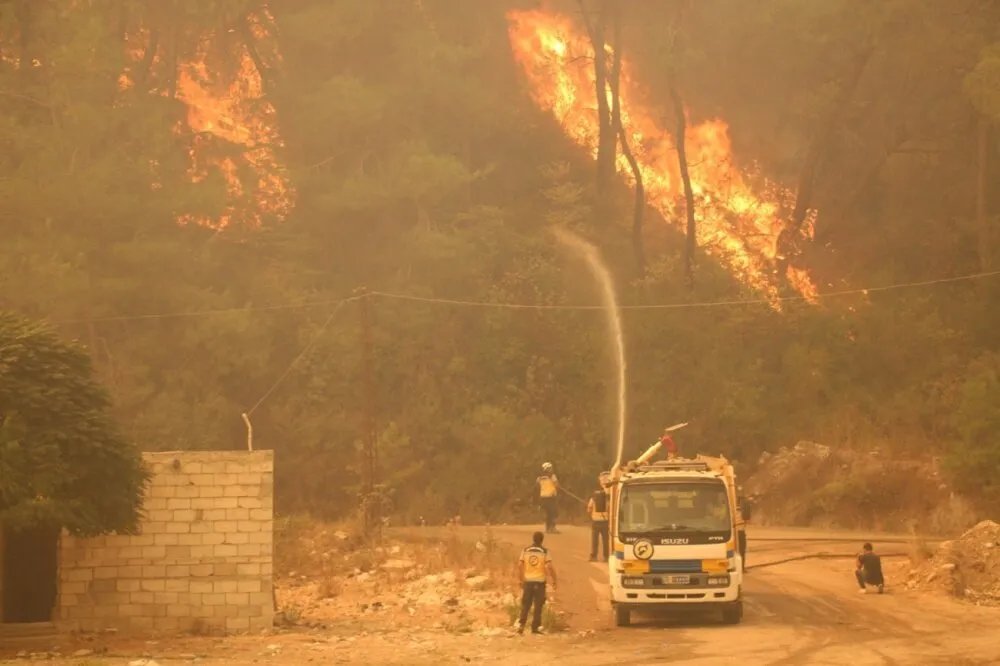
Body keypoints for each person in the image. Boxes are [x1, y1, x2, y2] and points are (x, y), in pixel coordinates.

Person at [517, 531, 558, 634]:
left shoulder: (525, 550)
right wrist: (554, 579)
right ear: (542, 540)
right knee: (538, 605)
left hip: (528, 581)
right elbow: (549, 566)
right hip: (539, 582)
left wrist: (521, 579)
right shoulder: (545, 551)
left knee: (526, 604)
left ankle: (521, 625)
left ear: (533, 539)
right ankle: (534, 628)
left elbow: (520, 565)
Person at [586, 478, 610, 561]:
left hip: (595, 521)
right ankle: (606, 557)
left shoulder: (593, 499)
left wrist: (591, 513)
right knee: (605, 541)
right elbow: (610, 510)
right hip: (605, 522)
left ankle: (594, 556)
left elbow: (589, 509)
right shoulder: (607, 500)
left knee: (594, 540)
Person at [536, 462, 560, 534]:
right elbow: (557, 485)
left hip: (543, 497)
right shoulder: (552, 476)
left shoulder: (539, 478)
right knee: (553, 513)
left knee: (548, 513)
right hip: (551, 497)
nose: (551, 469)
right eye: (550, 468)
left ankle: (548, 528)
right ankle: (552, 528)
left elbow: (537, 485)